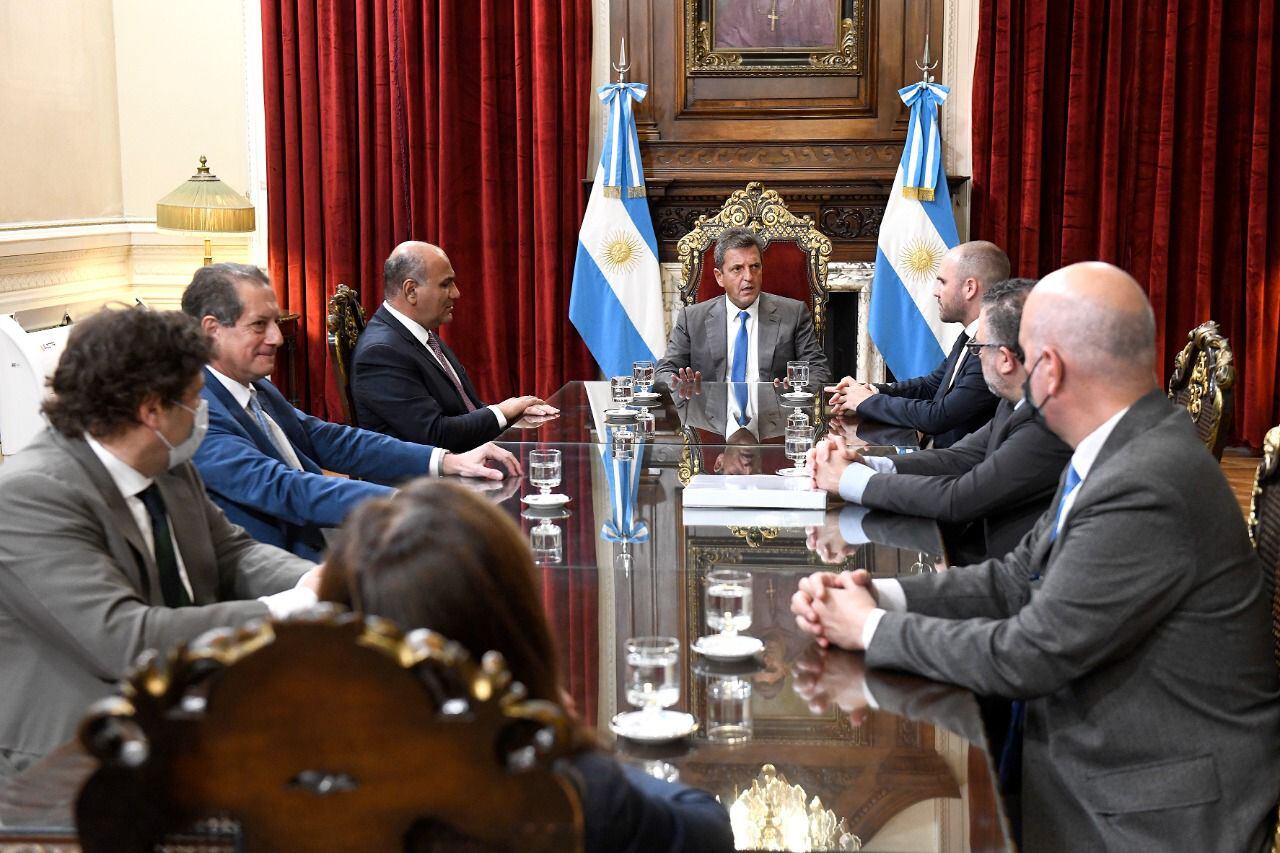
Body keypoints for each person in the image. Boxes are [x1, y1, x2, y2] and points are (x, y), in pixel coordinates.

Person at [791, 262, 1280, 852]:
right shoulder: (1115, 445)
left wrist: (869, 629)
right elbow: (1016, 576)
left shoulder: (1146, 481)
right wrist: (880, 596)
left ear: (1048, 369)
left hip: (1146, 810)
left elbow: (1029, 654)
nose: (1006, 365)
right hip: (1096, 759)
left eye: (1018, 352)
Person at [318, 480, 735, 853]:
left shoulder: (294, 788)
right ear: (517, 627)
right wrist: (560, 731)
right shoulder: (576, 792)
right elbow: (708, 827)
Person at [0, 308, 317, 775]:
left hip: (183, 702)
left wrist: (315, 579)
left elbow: (233, 553)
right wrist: (292, 607)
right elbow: (126, 640)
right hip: (79, 750)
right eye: (195, 397)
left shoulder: (167, 459)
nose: (202, 411)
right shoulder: (30, 495)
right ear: (152, 411)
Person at [182, 263, 520, 561]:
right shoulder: (197, 413)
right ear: (213, 330)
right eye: (259, 325)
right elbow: (286, 488)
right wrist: (411, 502)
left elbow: (329, 438)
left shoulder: (253, 385)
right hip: (287, 566)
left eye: (274, 322)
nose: (277, 338)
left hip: (330, 537)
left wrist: (446, 461)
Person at [811, 279, 1072, 562]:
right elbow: (959, 457)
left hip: (997, 567)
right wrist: (869, 464)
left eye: (979, 346)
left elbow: (959, 498)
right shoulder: (1017, 401)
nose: (977, 353)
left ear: (1006, 359)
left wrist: (848, 479)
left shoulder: (1048, 422)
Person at [351, 241, 558, 452]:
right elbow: (436, 435)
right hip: (422, 482)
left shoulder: (420, 333)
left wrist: (513, 415)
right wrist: (502, 412)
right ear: (411, 290)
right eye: (446, 284)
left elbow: (461, 408)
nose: (456, 293)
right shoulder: (381, 353)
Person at [829, 241, 1009, 448]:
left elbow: (939, 416)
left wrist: (867, 401)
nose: (935, 291)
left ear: (969, 288)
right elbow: (931, 385)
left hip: (956, 466)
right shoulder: (969, 335)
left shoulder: (990, 348)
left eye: (942, 282)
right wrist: (872, 391)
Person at [656, 228, 831, 388]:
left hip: (775, 415)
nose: (748, 277)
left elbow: (819, 370)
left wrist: (796, 387)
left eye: (755, 266)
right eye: (737, 269)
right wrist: (677, 384)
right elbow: (664, 371)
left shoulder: (794, 313)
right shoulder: (692, 318)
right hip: (711, 419)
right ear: (719, 277)